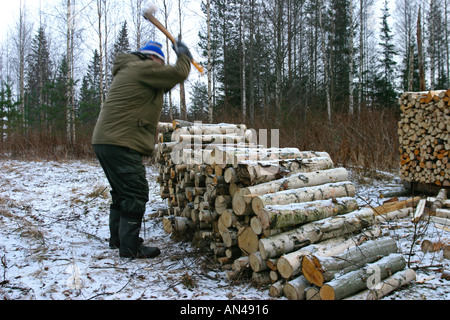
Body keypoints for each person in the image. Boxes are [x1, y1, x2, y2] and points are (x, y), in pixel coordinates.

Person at [92, 40, 192, 259]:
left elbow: (165, 82)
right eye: (161, 62)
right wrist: (184, 57)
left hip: (106, 140)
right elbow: (176, 74)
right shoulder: (143, 66)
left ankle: (118, 240)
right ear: (154, 58)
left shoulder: (132, 68)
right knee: (136, 191)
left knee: (122, 192)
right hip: (120, 142)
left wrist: (178, 65)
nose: (161, 66)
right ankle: (129, 247)